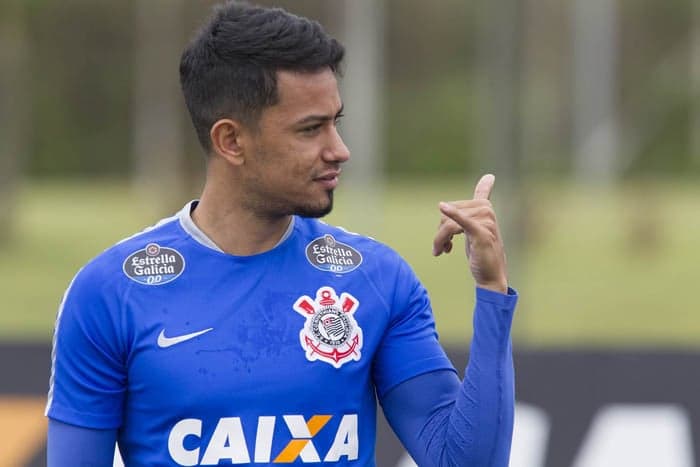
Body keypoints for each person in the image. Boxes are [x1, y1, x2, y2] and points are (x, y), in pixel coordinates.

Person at [45, 2, 518, 466]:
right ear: (231, 141)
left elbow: (465, 461)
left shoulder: (376, 280)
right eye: (311, 129)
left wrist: (492, 291)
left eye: (336, 122)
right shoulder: (110, 294)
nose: (339, 150)